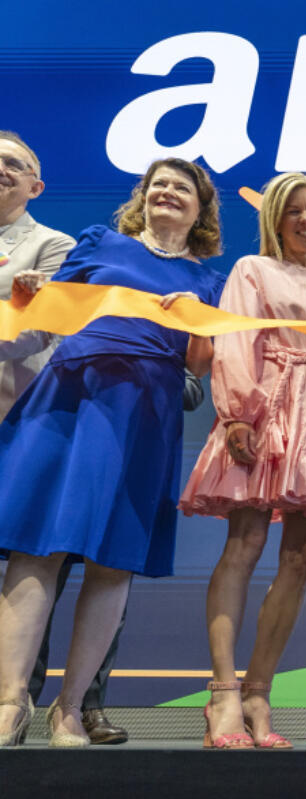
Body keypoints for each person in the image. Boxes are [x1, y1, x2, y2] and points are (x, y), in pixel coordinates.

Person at [0, 158, 224, 747]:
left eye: (181, 187)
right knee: (35, 550)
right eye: (158, 186)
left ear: (201, 208)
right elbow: (48, 310)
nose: (167, 193)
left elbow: (199, 368)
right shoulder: (101, 242)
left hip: (145, 412)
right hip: (72, 394)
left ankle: (70, 710)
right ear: (142, 199)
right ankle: (9, 703)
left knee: (112, 560)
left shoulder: (208, 281)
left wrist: (194, 326)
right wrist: (30, 296)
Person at [179, 172, 306, 749]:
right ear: (275, 218)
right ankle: (223, 694)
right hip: (268, 410)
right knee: (245, 544)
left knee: (300, 556)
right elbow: (234, 340)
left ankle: (258, 693)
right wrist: (240, 414)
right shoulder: (254, 269)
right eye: (295, 211)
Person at [0, 130, 74, 419]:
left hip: (12, 413)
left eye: (13, 164)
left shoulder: (55, 245)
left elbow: (38, 329)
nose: (0, 169)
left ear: (35, 189)